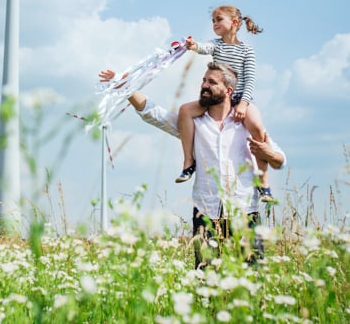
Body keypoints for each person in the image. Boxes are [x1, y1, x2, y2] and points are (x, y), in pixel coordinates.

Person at [100, 61, 286, 268]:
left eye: (212, 82)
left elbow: (279, 160)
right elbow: (155, 114)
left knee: (252, 277)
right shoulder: (192, 123)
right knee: (205, 279)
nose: (204, 85)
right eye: (204, 80)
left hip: (244, 212)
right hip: (206, 213)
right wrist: (127, 89)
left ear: (228, 90)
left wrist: (270, 154)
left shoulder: (245, 124)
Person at [176, 5, 274, 203]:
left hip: (240, 98)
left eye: (218, 19)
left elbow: (250, 80)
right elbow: (204, 48)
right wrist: (193, 45)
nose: (214, 24)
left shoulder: (247, 51)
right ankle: (188, 161)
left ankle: (263, 181)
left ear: (235, 23)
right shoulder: (216, 45)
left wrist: (244, 104)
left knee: (257, 127)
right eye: (213, 21)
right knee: (185, 110)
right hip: (218, 98)